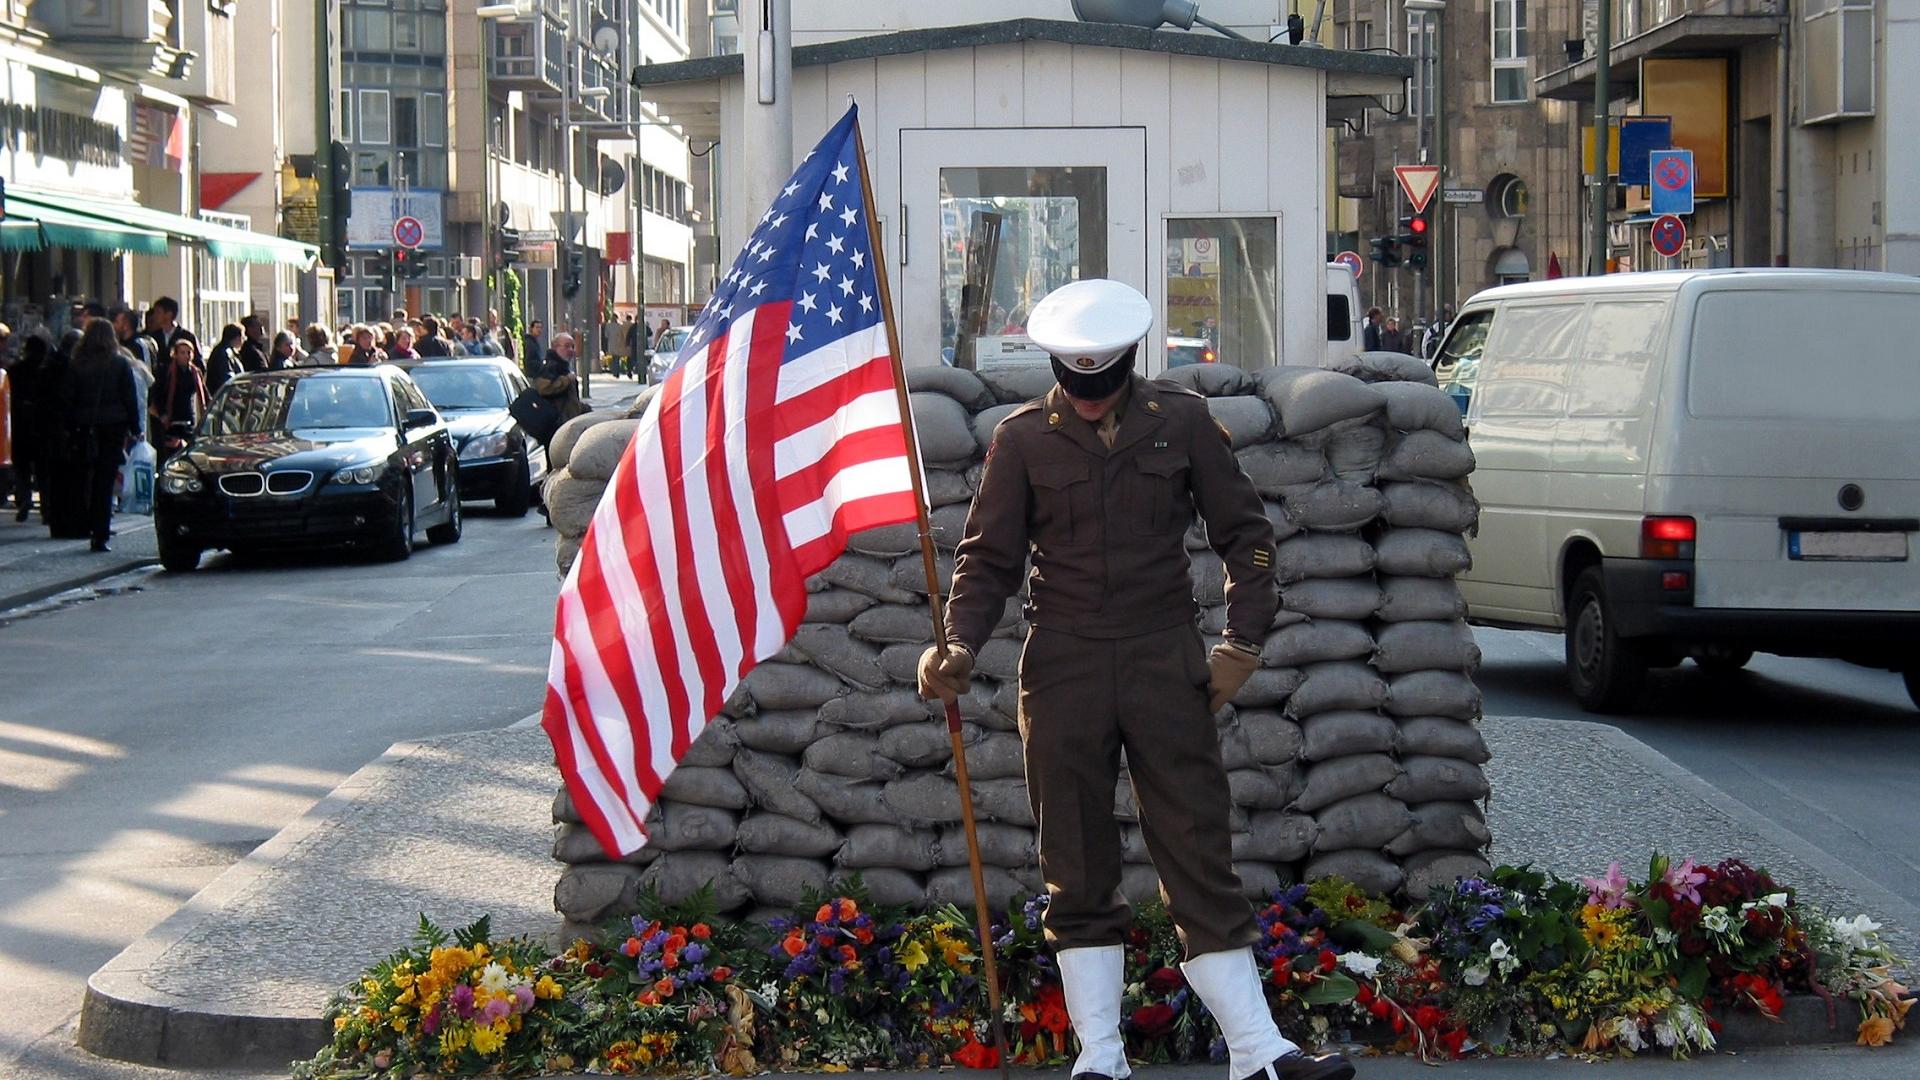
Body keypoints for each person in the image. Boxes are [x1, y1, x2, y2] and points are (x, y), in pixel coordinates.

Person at [919, 279, 1356, 1080]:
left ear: (1127, 366)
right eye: (1074, 385)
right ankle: (1101, 1056)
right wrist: (957, 644)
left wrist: (1242, 645)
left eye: (1102, 384)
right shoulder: (1023, 440)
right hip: (1063, 663)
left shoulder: (1183, 424)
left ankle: (1258, 1051)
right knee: (1076, 854)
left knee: (1196, 842)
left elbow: (1247, 539)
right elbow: (987, 562)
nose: (1088, 401)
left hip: (1164, 656)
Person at [67, 320, 142, 552]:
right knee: (105, 481)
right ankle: (100, 533)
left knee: (83, 478)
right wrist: (135, 426)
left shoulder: (77, 364)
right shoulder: (119, 364)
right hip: (112, 425)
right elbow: (129, 397)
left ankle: (83, 523)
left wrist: (70, 426)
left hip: (84, 427)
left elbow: (68, 397)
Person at [8, 331, 50, 522]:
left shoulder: (15, 371)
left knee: (22, 467)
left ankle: (23, 500)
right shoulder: (46, 371)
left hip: (20, 424)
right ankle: (46, 507)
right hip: (42, 424)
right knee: (43, 469)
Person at [149, 333, 207, 458]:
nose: (186, 356)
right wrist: (162, 414)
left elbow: (204, 394)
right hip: (172, 420)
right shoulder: (167, 372)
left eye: (189, 352)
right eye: (182, 352)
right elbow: (158, 394)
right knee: (171, 455)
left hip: (189, 418)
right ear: (175, 354)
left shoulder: (195, 373)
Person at [533, 332, 590, 430]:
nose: (571, 350)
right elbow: (544, 389)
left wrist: (582, 409)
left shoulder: (564, 366)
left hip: (568, 423)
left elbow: (569, 400)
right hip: (557, 426)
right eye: (567, 346)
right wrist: (566, 380)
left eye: (572, 346)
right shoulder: (550, 367)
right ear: (556, 347)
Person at [206, 324, 247, 394]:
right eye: (243, 337)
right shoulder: (225, 353)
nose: (244, 340)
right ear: (237, 338)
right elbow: (228, 379)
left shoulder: (222, 350)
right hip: (224, 396)